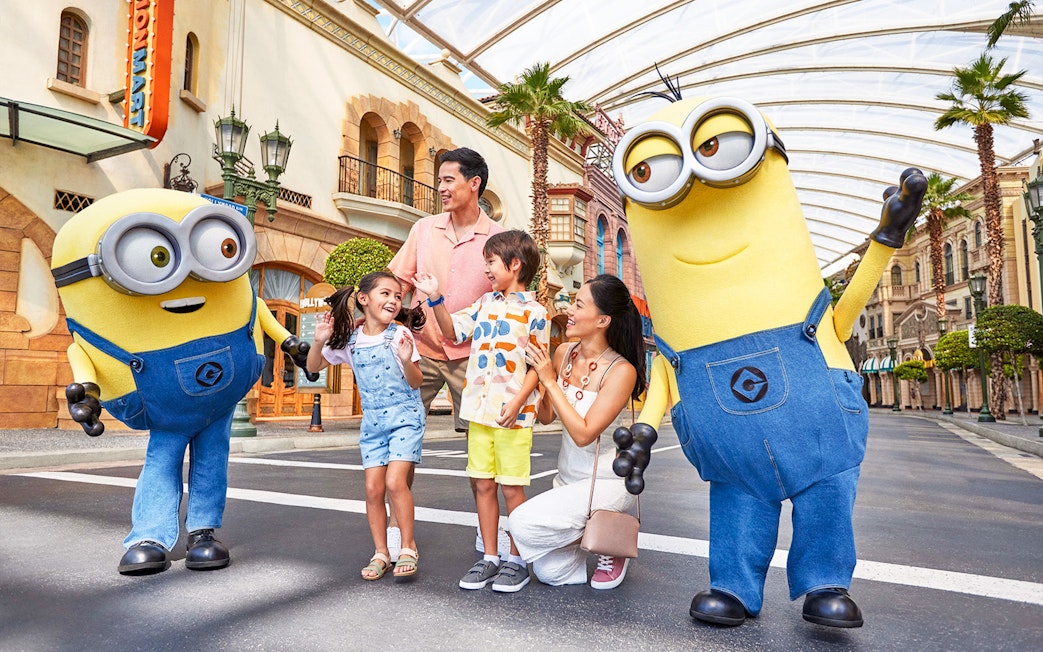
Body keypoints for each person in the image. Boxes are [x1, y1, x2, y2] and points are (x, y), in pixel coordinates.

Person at [387, 147, 508, 558]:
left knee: (481, 452)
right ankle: (396, 530)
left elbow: (509, 296)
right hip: (419, 351)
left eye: (448, 179)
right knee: (399, 443)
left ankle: (486, 529)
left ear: (474, 184)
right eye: (439, 180)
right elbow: (398, 279)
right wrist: (382, 319)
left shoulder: (498, 239)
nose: (440, 187)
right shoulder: (424, 230)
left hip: (475, 358)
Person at [413, 229, 548, 593]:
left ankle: (516, 561)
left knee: (513, 490)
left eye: (491, 261)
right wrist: (436, 297)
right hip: (478, 413)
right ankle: (490, 557)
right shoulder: (484, 304)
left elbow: (539, 367)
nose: (486, 268)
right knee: (484, 485)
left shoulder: (536, 313)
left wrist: (518, 402)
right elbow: (452, 332)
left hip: (514, 418)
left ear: (514, 264)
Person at [508, 274, 647, 589]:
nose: (569, 310)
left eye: (578, 304)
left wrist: (548, 380)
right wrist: (532, 381)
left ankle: (612, 538)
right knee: (550, 573)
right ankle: (593, 535)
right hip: (567, 480)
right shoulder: (563, 354)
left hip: (607, 484)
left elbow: (584, 434)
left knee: (520, 522)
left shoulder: (621, 371)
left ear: (602, 320)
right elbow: (546, 416)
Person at [306, 271, 426, 582]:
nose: (393, 300)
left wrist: (406, 359)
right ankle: (381, 553)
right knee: (373, 489)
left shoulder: (400, 336)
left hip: (405, 419)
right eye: (385, 294)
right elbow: (313, 366)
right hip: (373, 424)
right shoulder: (351, 341)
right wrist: (319, 341)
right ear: (364, 299)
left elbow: (417, 382)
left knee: (395, 482)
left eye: (398, 297)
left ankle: (408, 547)